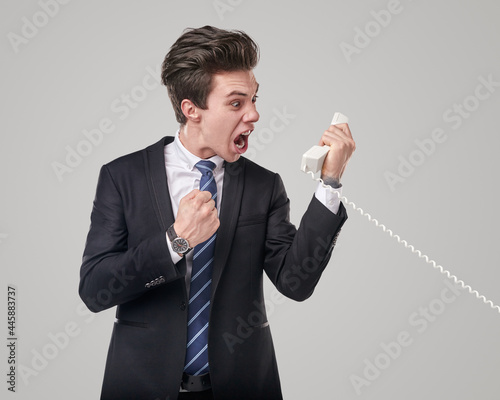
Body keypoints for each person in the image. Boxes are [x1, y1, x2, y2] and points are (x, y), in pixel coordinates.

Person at [79, 25, 355, 400]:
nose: (254, 114)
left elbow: (295, 283)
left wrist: (329, 183)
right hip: (141, 387)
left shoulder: (264, 185)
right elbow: (95, 290)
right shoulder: (121, 177)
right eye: (237, 103)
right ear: (192, 110)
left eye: (255, 99)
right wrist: (175, 242)